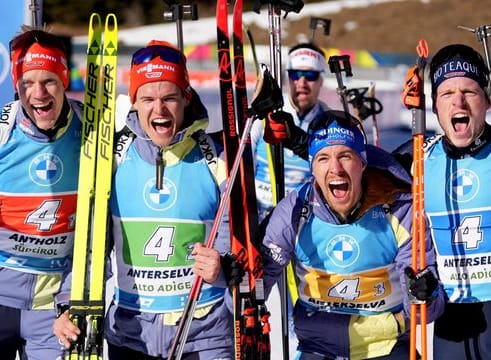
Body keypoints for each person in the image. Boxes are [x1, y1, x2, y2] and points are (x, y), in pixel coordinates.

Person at [54, 40, 238, 359]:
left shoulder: (216, 159)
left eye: (170, 98)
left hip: (204, 334)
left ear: (186, 98)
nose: (159, 109)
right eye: (148, 99)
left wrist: (223, 267)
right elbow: (91, 247)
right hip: (131, 333)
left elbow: (238, 242)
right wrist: (72, 303)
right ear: (134, 102)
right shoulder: (111, 158)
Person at [394, 43, 491, 359]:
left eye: (470, 92)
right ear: (433, 106)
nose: (458, 101)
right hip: (451, 325)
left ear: (487, 101)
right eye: (447, 94)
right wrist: (295, 139)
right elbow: (352, 173)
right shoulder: (416, 157)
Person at [260, 109, 444, 359]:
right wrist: (243, 284)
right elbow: (256, 287)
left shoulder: (400, 210)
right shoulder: (293, 212)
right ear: (312, 166)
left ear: (362, 163)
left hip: (387, 345)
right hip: (318, 347)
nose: (335, 169)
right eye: (323, 158)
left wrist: (425, 295)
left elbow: (425, 312)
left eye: (345, 156)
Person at [0, 27, 82, 359]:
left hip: (53, 310)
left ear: (64, 80)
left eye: (49, 81)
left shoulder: (90, 128)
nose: (39, 93)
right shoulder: (3, 130)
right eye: (27, 83)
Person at [252, 42, 329, 221]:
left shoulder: (328, 120)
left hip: (302, 215)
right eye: (295, 74)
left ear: (321, 81)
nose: (302, 82)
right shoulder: (267, 112)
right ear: (288, 78)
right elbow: (242, 161)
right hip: (259, 210)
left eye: (310, 75)